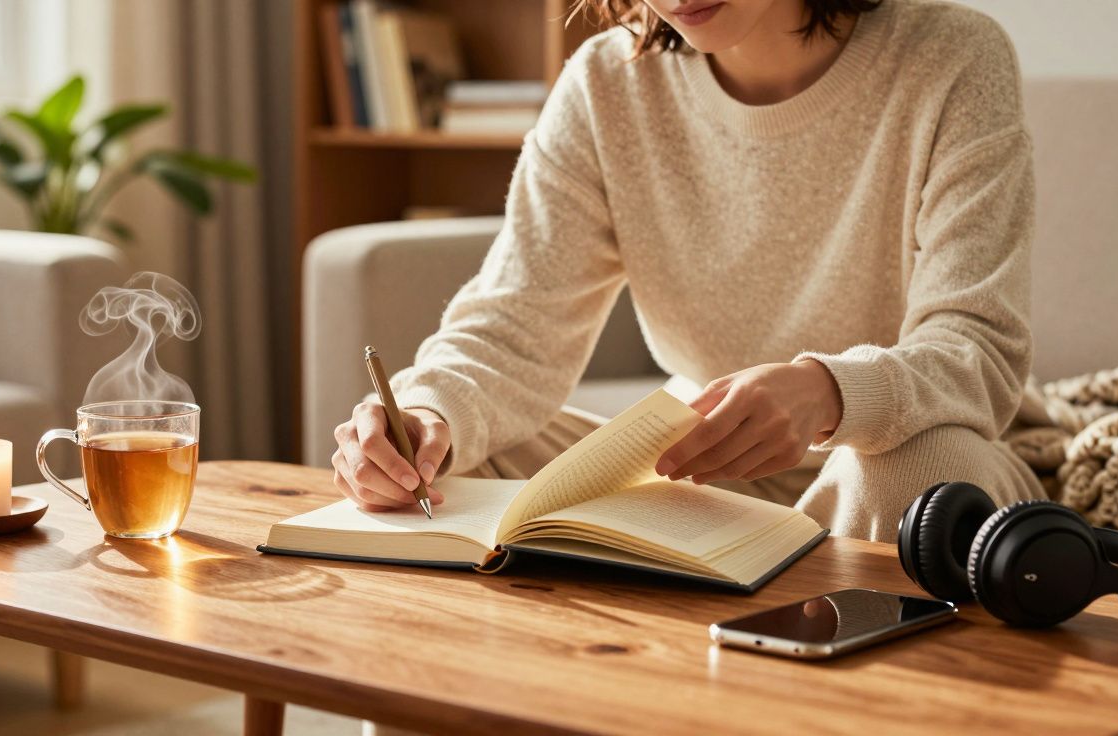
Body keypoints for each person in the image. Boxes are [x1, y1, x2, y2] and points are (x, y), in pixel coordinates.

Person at [330, 0, 1044, 541]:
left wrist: (829, 392)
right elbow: (514, 329)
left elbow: (975, 349)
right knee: (451, 460)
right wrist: (422, 418)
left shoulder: (952, 59)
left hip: (895, 461)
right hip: (698, 471)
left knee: (911, 468)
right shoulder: (607, 83)